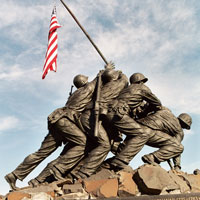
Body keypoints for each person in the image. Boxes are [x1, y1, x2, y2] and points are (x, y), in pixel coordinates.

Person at [4, 74, 97, 190]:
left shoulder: (74, 94)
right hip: (65, 121)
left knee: (41, 153)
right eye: (86, 81)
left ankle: (14, 175)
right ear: (84, 82)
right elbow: (97, 80)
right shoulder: (87, 89)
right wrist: (106, 69)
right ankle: (58, 168)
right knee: (83, 143)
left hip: (56, 120)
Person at [101, 73, 183, 170]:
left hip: (132, 121)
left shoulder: (126, 90)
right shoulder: (176, 125)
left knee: (128, 147)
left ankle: (107, 164)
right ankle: (147, 158)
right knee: (178, 146)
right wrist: (177, 166)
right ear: (140, 82)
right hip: (127, 118)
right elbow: (157, 103)